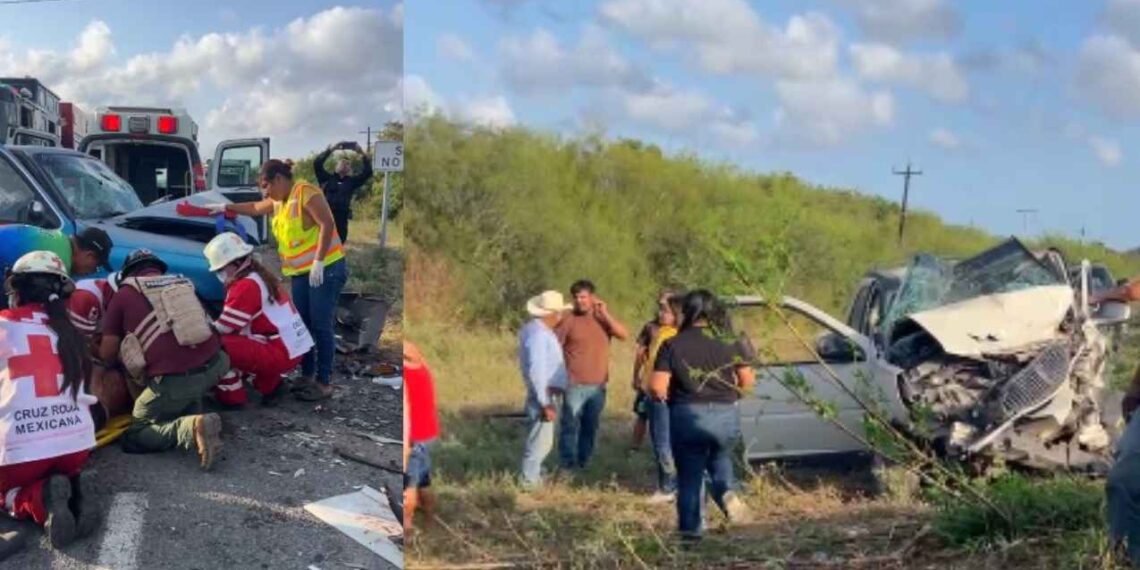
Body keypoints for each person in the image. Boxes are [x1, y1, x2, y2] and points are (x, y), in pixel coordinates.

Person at [207, 159, 348, 402]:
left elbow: (326, 223)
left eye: (266, 186)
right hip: (301, 272)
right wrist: (226, 207)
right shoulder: (280, 201)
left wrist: (319, 260)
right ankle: (307, 375)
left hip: (326, 268)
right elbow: (255, 207)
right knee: (304, 322)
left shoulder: (305, 193)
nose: (265, 193)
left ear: (279, 180)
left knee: (321, 324)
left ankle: (323, 382)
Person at [0, 251, 98, 555]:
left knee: (4, 490)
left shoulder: (3, 324)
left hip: (20, 458)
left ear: (16, 290)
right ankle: (73, 487)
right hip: (76, 449)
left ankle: (37, 498)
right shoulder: (71, 334)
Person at [97, 249, 229, 470]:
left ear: (128, 273)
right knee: (184, 381)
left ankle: (190, 427)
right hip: (218, 365)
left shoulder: (124, 294)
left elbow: (107, 353)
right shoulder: (182, 283)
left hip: (176, 381)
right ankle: (194, 410)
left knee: (136, 432)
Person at [650, 290, 754, 541]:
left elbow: (657, 387)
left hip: (688, 415)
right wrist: (731, 397)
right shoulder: (731, 340)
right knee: (719, 458)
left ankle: (692, 532)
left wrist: (670, 398)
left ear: (687, 311)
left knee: (690, 476)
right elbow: (747, 381)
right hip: (725, 415)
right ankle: (726, 493)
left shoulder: (673, 344)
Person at [203, 232, 314, 408]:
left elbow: (224, 328)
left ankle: (232, 399)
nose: (220, 274)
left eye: (220, 269)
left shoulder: (245, 285)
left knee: (215, 345)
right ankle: (271, 386)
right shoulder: (259, 276)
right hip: (291, 347)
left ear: (235, 263)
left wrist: (200, 330)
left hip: (280, 351)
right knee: (240, 343)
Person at [555, 280, 629, 470]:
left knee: (590, 426)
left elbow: (624, 334)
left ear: (593, 297)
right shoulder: (568, 320)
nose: (580, 301)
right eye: (576, 297)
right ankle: (567, 464)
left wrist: (605, 314)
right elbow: (553, 347)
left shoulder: (602, 318)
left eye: (584, 297)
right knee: (569, 425)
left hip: (598, 385)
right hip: (574, 383)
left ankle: (584, 461)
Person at [518, 290, 571, 488]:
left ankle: (535, 476)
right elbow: (537, 370)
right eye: (559, 312)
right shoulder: (540, 335)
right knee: (540, 441)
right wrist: (545, 402)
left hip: (546, 392)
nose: (561, 316)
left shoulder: (536, 330)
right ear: (553, 314)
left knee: (541, 439)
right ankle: (529, 482)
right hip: (545, 393)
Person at [69, 272, 134, 425]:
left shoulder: (124, 300)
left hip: (96, 345)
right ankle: (93, 411)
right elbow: (78, 346)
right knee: (95, 371)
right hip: (71, 351)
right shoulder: (85, 298)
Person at [0, 227, 114, 310]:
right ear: (89, 255)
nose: (91, 272)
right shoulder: (58, 261)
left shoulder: (60, 240)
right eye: (96, 267)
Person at [639, 293, 683, 504]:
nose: (660, 313)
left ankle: (668, 487)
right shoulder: (660, 332)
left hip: (663, 396)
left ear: (677, 314)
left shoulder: (675, 336)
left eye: (665, 310)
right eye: (660, 309)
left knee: (663, 442)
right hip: (652, 393)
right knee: (660, 440)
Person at [631, 290, 675, 450]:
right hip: (648, 380)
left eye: (665, 306)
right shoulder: (651, 327)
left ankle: (667, 449)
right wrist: (636, 375)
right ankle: (635, 447)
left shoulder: (680, 328)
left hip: (669, 382)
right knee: (642, 414)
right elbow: (640, 352)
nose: (661, 311)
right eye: (660, 306)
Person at [403, 341, 439, 532]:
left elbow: (406, 417)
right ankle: (430, 520)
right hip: (429, 433)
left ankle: (407, 529)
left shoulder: (406, 377)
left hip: (414, 438)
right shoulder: (423, 367)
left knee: (408, 486)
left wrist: (405, 452)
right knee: (424, 482)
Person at [314, 141, 373, 243]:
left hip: (342, 218)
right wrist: (331, 150)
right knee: (322, 242)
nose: (345, 164)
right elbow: (317, 164)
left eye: (347, 164)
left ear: (350, 169)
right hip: (326, 216)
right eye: (342, 162)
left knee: (339, 242)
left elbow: (368, 172)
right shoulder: (326, 178)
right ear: (336, 167)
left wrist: (361, 153)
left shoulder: (351, 182)